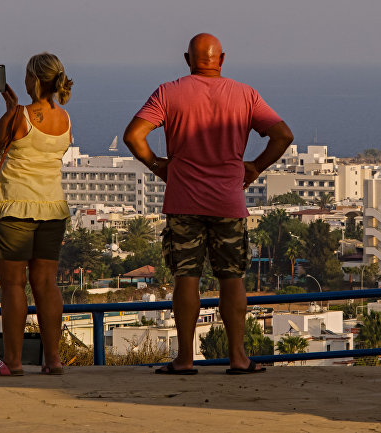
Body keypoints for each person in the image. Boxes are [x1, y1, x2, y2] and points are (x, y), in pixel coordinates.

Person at [123, 33, 294, 375]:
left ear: (188, 59)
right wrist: (256, 167)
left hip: (183, 200)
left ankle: (185, 360)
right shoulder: (245, 94)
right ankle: (238, 358)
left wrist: (159, 165)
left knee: (186, 277)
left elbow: (133, 136)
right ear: (222, 59)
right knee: (232, 278)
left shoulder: (168, 92)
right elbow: (283, 135)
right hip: (228, 201)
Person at [0, 53, 73, 376]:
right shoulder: (65, 119)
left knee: (13, 285)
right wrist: (10, 111)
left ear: (33, 79)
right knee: (46, 284)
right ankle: (54, 360)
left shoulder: (19, 116)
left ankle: (13, 362)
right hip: (53, 210)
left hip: (15, 209)